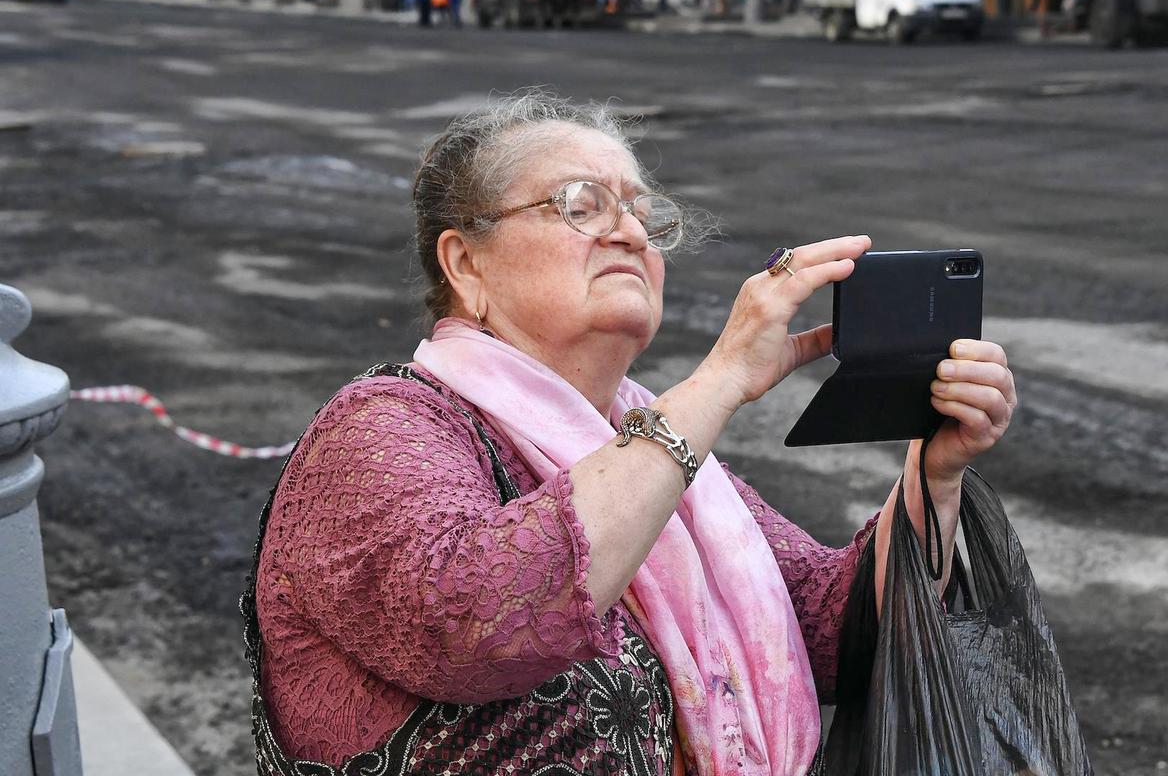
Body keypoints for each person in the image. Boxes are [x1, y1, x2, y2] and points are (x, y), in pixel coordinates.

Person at [245, 91, 1017, 775]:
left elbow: (824, 629)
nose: (631, 234)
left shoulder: (641, 441)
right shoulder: (381, 426)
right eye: (582, 204)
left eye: (643, 213)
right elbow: (474, 619)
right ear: (466, 264)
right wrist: (718, 383)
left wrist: (934, 472)